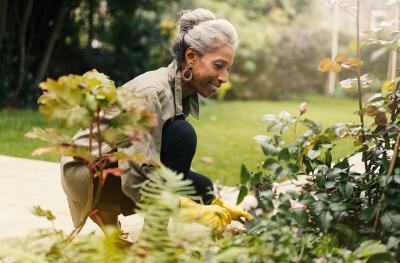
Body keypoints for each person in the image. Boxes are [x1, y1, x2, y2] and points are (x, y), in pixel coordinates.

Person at [60, 8, 252, 238]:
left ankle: (118, 214)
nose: (224, 78)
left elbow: (163, 162)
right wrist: (191, 210)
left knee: (202, 184)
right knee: (183, 135)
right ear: (191, 57)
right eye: (218, 66)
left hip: (111, 164)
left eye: (227, 68)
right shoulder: (152, 93)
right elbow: (134, 178)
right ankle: (151, 237)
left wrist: (214, 202)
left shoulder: (180, 92)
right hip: (86, 172)